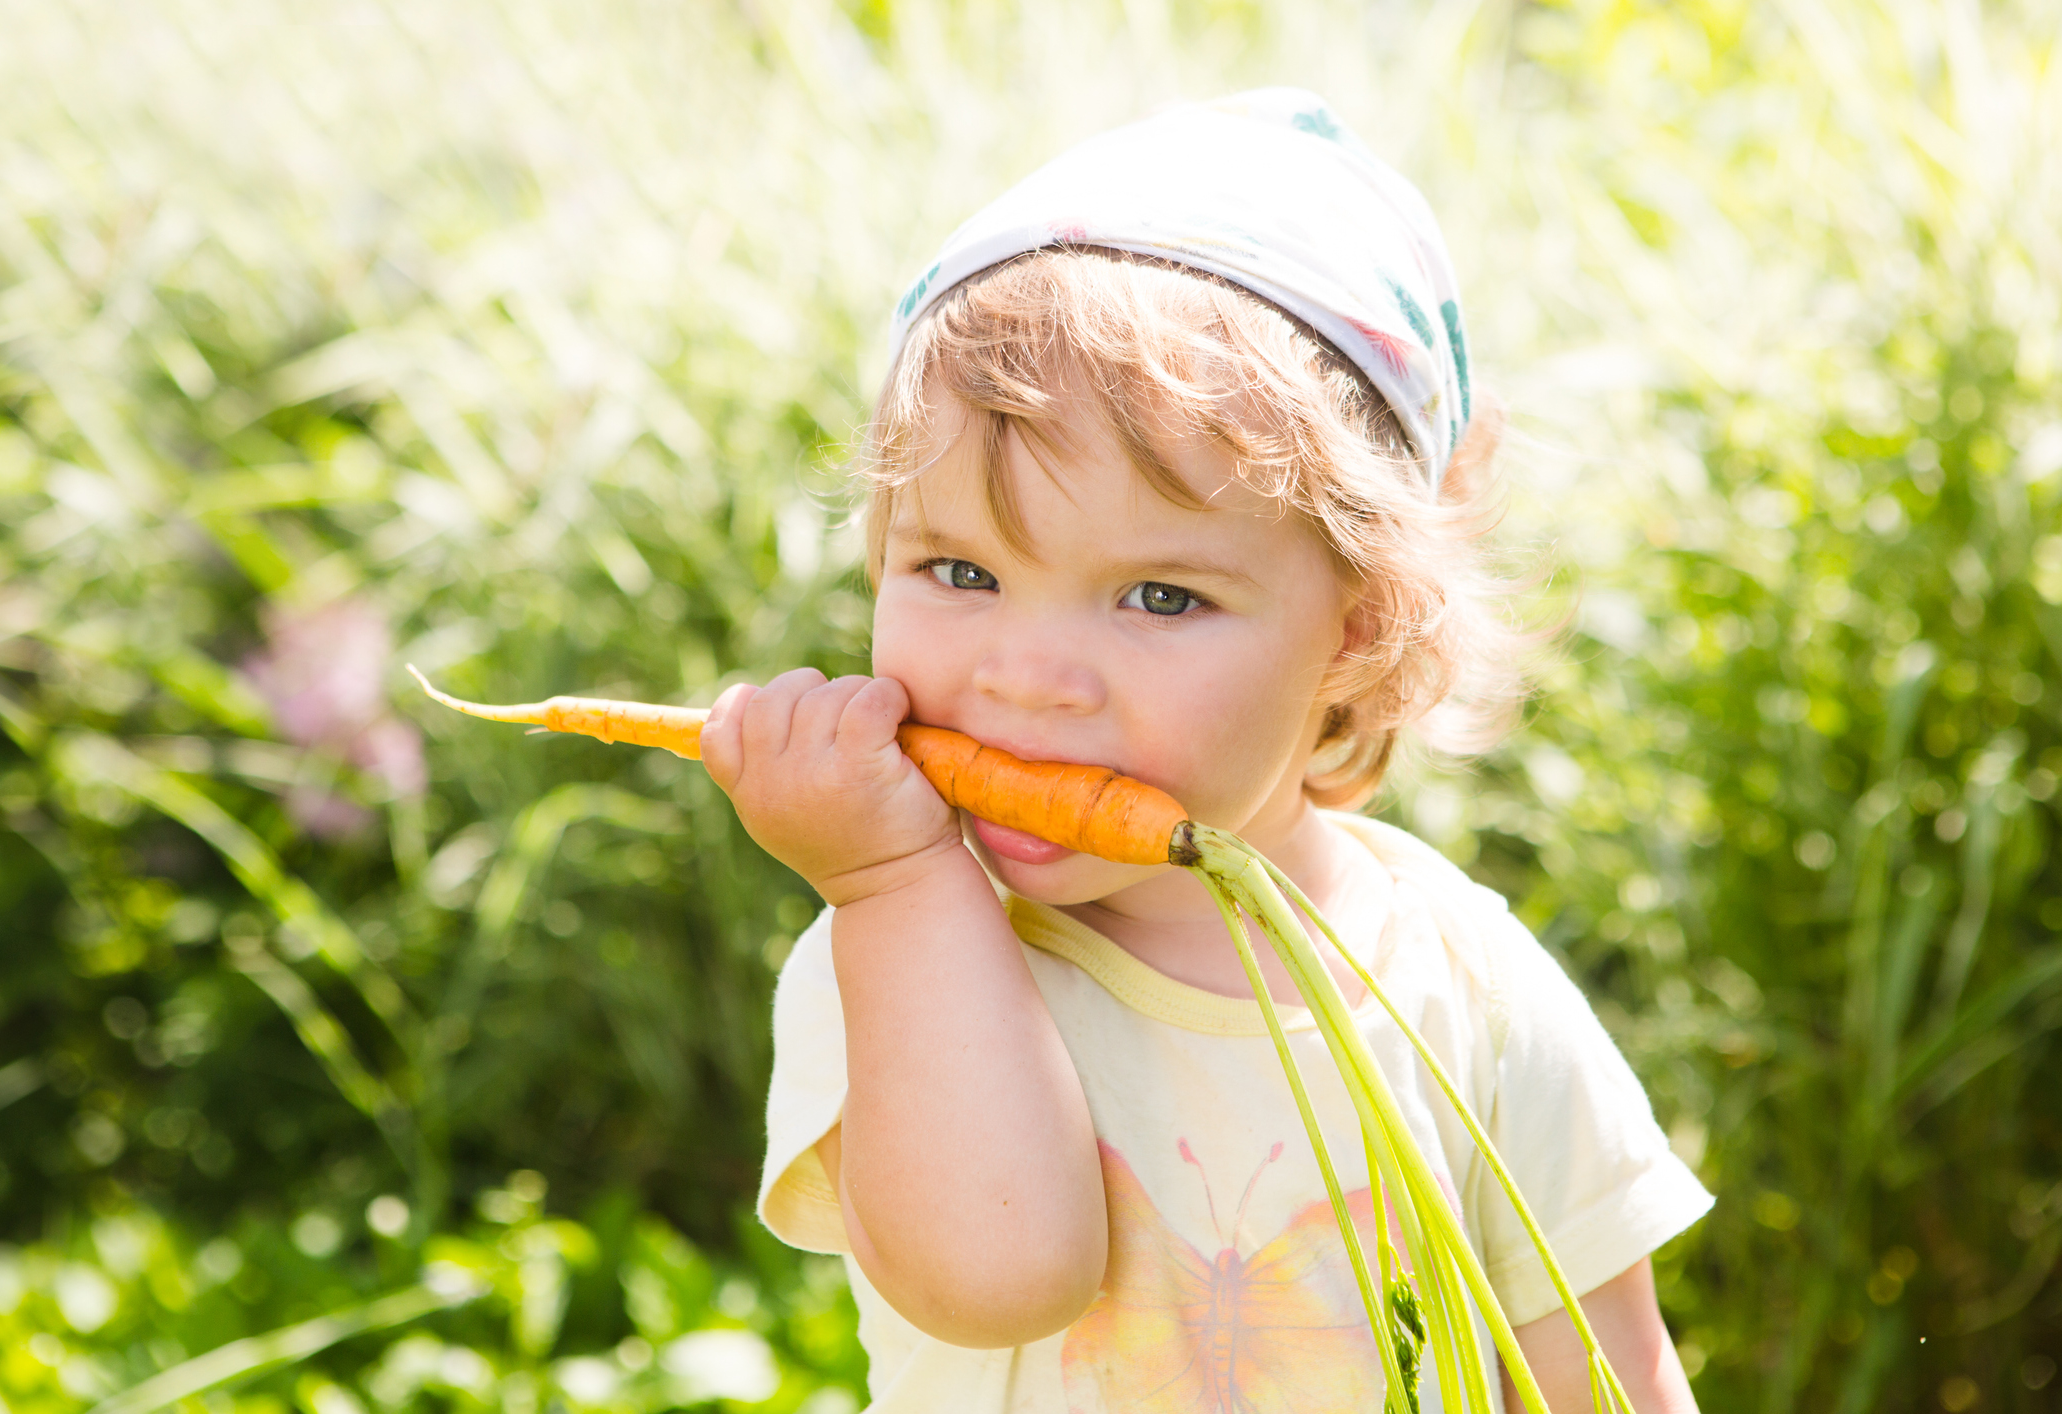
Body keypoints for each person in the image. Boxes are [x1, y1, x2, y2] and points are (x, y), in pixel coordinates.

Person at [700, 89, 1711, 1414]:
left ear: (1359, 625)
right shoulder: (905, 947)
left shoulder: (1461, 977)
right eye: (958, 568)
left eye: (1159, 597)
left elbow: (1607, 1381)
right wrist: (888, 884)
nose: (1024, 677)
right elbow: (1000, 1272)